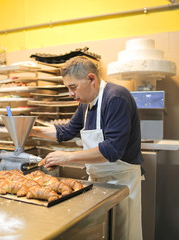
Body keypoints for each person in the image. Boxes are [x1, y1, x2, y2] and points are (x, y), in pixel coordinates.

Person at [30, 56, 143, 240]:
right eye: (67, 88)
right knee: (103, 233)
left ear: (91, 79)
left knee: (123, 232)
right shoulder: (87, 103)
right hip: (98, 181)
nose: (70, 93)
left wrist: (68, 157)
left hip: (122, 182)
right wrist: (30, 130)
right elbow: (66, 131)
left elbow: (112, 150)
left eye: (72, 87)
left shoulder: (116, 98)